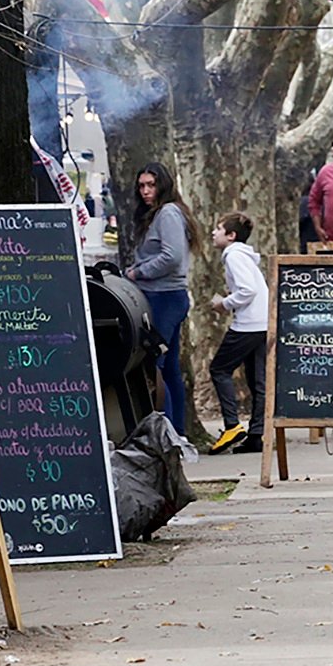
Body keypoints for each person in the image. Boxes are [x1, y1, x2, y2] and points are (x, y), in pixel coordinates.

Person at [125, 163, 201, 435]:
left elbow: (172, 257)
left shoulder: (168, 213)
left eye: (151, 185)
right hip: (162, 296)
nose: (146, 191)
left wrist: (138, 272)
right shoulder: (157, 214)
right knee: (168, 368)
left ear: (163, 185)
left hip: (164, 297)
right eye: (142, 185)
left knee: (153, 366)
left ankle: (167, 434)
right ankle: (177, 432)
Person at [205, 212, 268, 455]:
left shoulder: (233, 256)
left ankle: (232, 425)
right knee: (257, 381)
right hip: (262, 322)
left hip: (248, 324)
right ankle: (256, 435)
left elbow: (247, 290)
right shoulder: (245, 256)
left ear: (231, 236)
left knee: (219, 369)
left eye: (218, 229)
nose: (213, 233)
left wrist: (224, 303)